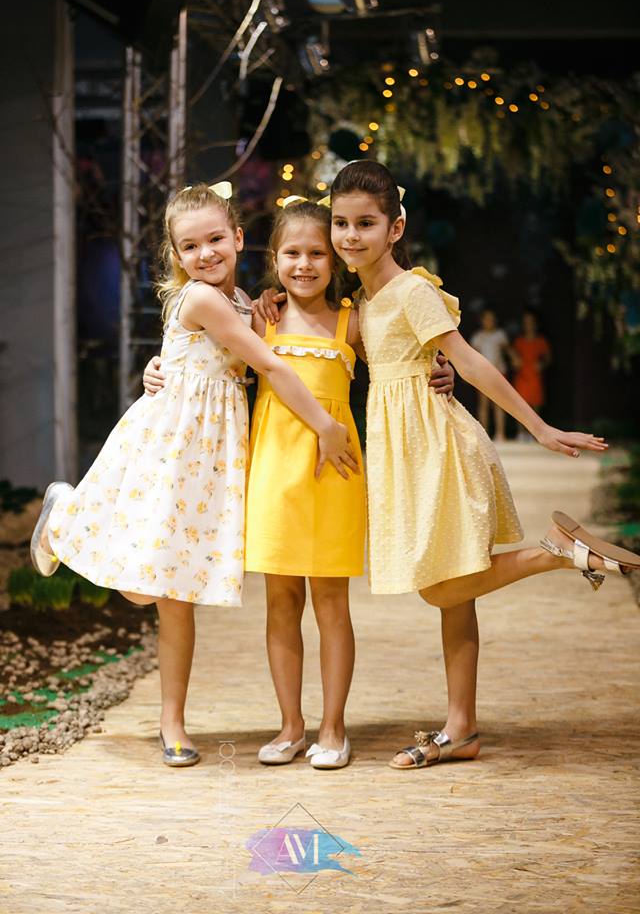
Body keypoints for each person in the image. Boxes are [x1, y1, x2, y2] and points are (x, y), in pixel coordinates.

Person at [258, 160, 638, 772]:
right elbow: (341, 351)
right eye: (342, 224)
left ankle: (557, 552)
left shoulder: (412, 290)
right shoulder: (363, 302)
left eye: (366, 223)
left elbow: (469, 361)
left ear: (396, 227)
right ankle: (461, 728)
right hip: (404, 449)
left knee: (440, 585)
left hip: (433, 446)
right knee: (455, 596)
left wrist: (540, 427)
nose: (351, 236)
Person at [29, 182, 358, 768]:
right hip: (175, 443)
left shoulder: (245, 303)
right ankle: (66, 519)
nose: (205, 253)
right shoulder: (204, 300)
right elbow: (270, 363)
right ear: (176, 255)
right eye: (190, 246)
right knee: (148, 588)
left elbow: (265, 338)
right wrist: (325, 426)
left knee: (173, 591)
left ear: (238, 238)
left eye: (215, 240)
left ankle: (172, 721)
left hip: (213, 455)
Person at [142, 196, 456, 769]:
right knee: (281, 602)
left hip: (334, 468)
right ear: (273, 258)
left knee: (331, 603)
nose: (304, 264)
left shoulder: (354, 322)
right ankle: (290, 726)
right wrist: (155, 368)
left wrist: (442, 369)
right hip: (271, 469)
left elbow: (406, 357)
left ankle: (333, 728)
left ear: (335, 260)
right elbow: (199, 351)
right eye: (292, 253)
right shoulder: (257, 316)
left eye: (317, 254)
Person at [510, 310, 552, 438]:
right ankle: (521, 432)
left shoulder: (541, 341)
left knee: (535, 403)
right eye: (526, 322)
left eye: (531, 322)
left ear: (536, 324)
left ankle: (534, 433)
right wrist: (515, 361)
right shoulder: (519, 341)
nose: (529, 325)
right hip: (522, 376)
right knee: (520, 404)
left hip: (535, 375)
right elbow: (513, 358)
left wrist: (542, 365)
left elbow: (548, 358)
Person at [470, 309, 509, 441]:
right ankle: (484, 433)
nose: (489, 321)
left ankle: (500, 433)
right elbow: (472, 356)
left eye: (491, 319)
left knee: (500, 403)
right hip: (483, 374)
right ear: (482, 321)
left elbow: (507, 350)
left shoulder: (500, 334)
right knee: (484, 404)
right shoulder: (478, 336)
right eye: (486, 319)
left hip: (499, 372)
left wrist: (514, 358)